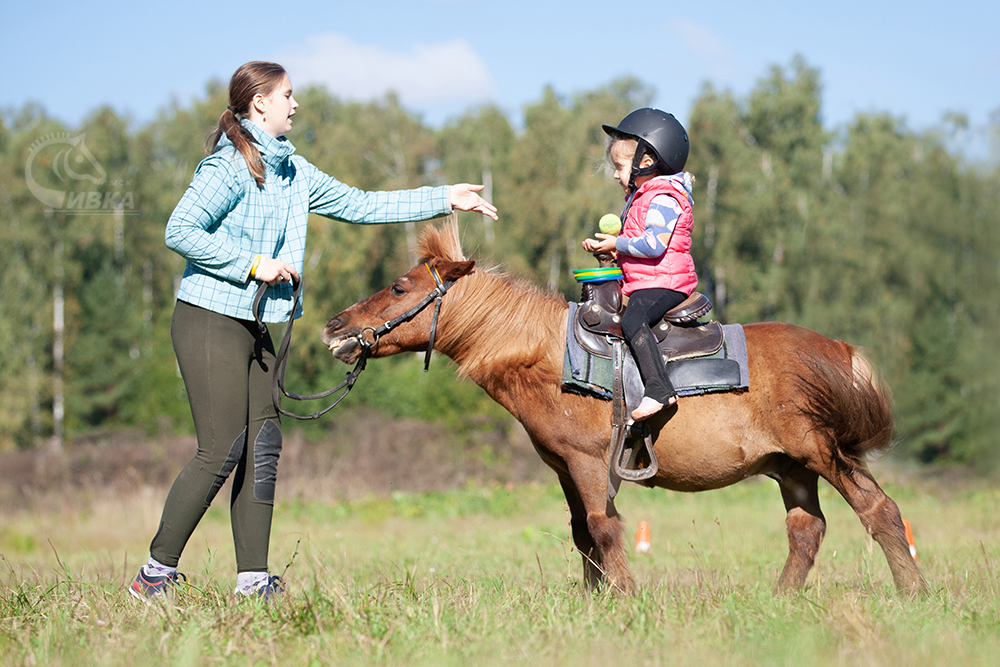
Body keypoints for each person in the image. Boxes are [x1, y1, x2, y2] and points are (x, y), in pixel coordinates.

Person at [129, 61, 498, 602]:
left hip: (260, 323)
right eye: (287, 95)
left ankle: (253, 581)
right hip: (209, 317)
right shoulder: (228, 167)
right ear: (260, 103)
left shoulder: (294, 172)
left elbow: (362, 204)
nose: (295, 104)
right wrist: (253, 264)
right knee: (223, 446)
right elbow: (179, 229)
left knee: (262, 445)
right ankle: (153, 576)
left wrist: (444, 197)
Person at [582, 108, 697, 422]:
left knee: (633, 320)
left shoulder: (664, 197)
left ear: (646, 162)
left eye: (619, 167)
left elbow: (653, 245)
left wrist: (616, 244)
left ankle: (660, 390)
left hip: (667, 283)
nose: (615, 175)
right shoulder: (642, 197)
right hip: (648, 280)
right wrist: (607, 253)